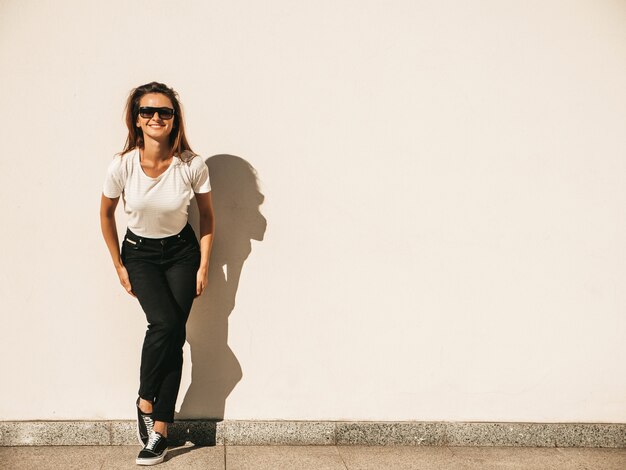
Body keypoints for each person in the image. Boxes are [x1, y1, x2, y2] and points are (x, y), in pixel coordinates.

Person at [100, 81, 215, 466]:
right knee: (165, 325)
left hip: (182, 253)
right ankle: (145, 399)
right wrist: (119, 264)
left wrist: (203, 264)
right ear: (136, 119)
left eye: (163, 111)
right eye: (147, 111)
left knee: (175, 334)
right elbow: (105, 214)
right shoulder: (123, 164)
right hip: (140, 255)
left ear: (174, 119)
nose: (155, 117)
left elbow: (209, 218)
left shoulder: (191, 164)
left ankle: (159, 429)